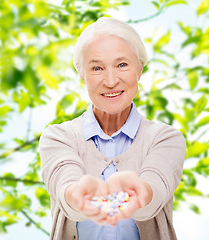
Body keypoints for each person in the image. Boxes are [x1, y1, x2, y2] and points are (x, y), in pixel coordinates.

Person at [39, 17, 186, 240]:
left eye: (122, 65)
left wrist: (139, 192)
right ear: (82, 74)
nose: (110, 81)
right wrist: (78, 194)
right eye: (97, 68)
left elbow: (156, 186)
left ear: (140, 69)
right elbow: (64, 183)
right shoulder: (58, 137)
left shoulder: (165, 138)